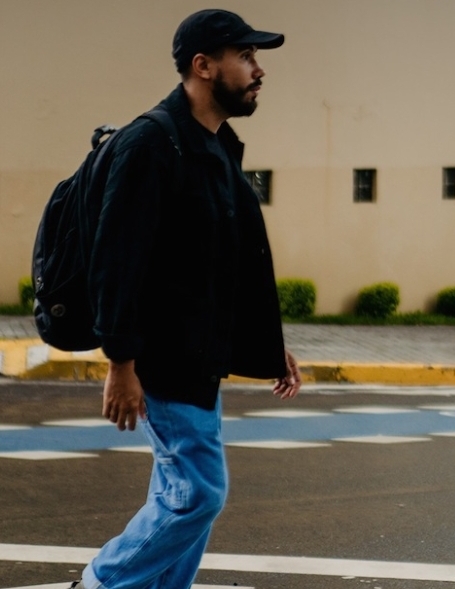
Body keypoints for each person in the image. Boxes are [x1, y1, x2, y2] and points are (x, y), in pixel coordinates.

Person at [69, 9, 302, 589]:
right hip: (164, 358)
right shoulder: (152, 144)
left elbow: (225, 266)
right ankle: (101, 583)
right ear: (203, 66)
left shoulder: (215, 146)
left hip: (200, 357)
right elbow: (117, 260)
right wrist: (121, 363)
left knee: (183, 493)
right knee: (197, 493)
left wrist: (270, 346)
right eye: (244, 56)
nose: (258, 70)